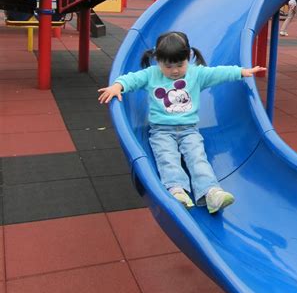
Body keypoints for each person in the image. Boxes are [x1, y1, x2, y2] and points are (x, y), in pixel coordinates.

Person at [98, 31, 265, 214]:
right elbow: (132, 79)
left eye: (180, 64)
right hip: (161, 131)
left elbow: (218, 73)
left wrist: (241, 72)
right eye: (168, 66)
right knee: (168, 159)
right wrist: (117, 86)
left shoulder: (196, 74)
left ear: (189, 57)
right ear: (158, 60)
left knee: (198, 158)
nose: (175, 70)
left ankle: (211, 192)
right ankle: (177, 190)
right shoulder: (152, 74)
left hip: (189, 130)